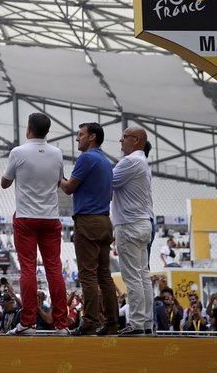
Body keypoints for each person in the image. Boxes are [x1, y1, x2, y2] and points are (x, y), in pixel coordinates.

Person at [0, 112, 69, 335]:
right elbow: (59, 180)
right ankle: (61, 323)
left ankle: (27, 322)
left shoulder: (18, 152)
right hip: (50, 217)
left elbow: (4, 183)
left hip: (26, 217)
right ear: (47, 131)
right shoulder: (57, 153)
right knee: (54, 269)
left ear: (29, 128)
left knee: (28, 269)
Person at [59, 122, 117, 336]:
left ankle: (89, 322)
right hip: (104, 220)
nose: (77, 138)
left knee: (88, 275)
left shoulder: (87, 158)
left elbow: (69, 188)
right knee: (105, 275)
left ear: (92, 137)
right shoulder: (105, 161)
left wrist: (58, 176)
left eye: (80, 135)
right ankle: (111, 322)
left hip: (88, 220)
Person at [111, 126, 154, 336]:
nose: (121, 141)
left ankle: (136, 324)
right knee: (143, 276)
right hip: (142, 223)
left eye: (125, 138)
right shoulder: (142, 162)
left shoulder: (129, 162)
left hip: (129, 224)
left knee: (133, 278)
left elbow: (106, 183)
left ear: (136, 140)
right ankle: (145, 323)